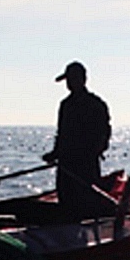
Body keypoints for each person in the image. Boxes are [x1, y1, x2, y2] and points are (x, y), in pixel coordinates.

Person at [42, 61, 112, 220]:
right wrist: (54, 153)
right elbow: (61, 134)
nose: (69, 83)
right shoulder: (65, 105)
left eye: (72, 79)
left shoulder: (95, 104)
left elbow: (104, 132)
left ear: (83, 79)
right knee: (66, 200)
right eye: (67, 80)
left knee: (87, 201)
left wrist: (96, 150)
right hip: (66, 163)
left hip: (85, 164)